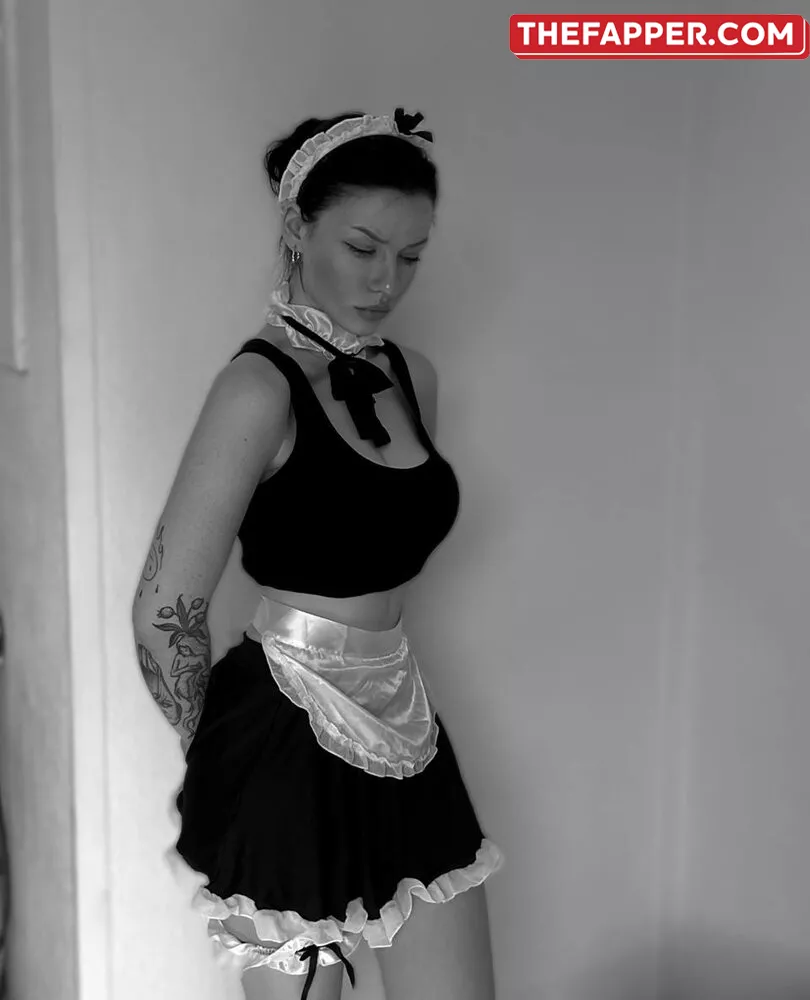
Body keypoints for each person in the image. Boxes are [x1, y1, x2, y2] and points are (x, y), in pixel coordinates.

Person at [131, 107, 505, 1000]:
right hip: (282, 730)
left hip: (404, 718)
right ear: (298, 227)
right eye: (363, 247)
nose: (387, 280)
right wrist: (222, 748)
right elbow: (164, 609)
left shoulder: (414, 379)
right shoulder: (256, 390)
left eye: (411, 256)